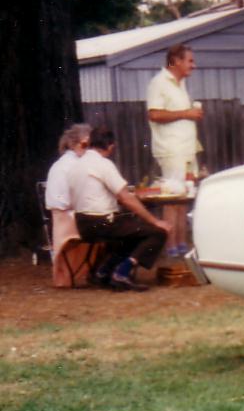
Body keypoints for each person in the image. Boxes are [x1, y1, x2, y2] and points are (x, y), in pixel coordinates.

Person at [68, 127, 171, 292]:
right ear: (110, 146)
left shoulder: (76, 166)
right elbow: (125, 197)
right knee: (156, 232)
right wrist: (155, 220)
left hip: (82, 224)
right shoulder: (103, 164)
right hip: (102, 222)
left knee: (131, 229)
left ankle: (103, 272)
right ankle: (122, 273)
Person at [44, 123, 93, 287]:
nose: (88, 149)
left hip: (59, 218)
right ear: (75, 144)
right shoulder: (75, 165)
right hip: (68, 217)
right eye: (85, 145)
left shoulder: (62, 163)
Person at [146, 43, 203, 181]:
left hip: (187, 150)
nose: (194, 66)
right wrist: (186, 113)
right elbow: (154, 114)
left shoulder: (180, 83)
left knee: (188, 192)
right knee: (176, 195)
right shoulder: (159, 82)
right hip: (173, 153)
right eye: (190, 61)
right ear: (177, 61)